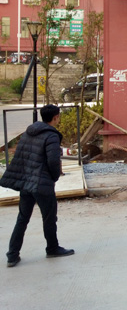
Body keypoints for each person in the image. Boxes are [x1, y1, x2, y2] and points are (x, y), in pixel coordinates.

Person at [0, 104, 74, 267]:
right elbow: (53, 161)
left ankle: (12, 255)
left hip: (26, 182)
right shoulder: (51, 135)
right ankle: (52, 248)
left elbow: (20, 156)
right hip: (42, 184)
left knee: (22, 218)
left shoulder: (28, 132)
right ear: (55, 117)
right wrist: (54, 177)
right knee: (49, 217)